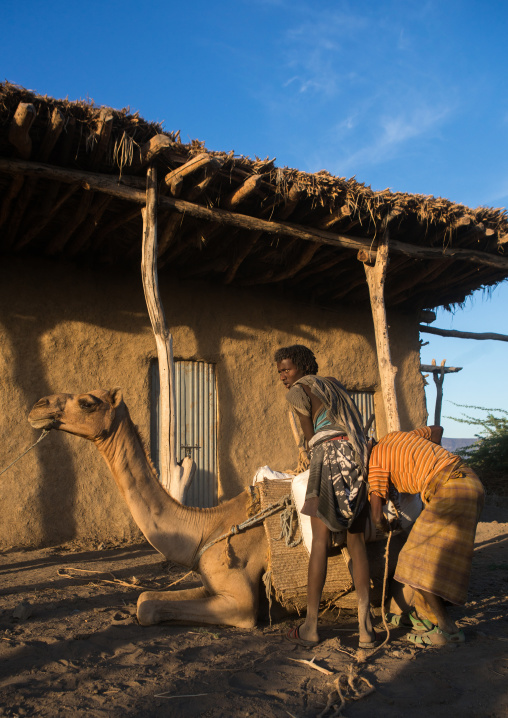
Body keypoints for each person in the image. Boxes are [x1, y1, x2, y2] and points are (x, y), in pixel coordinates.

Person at [275, 344, 376, 649]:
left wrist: (309, 451)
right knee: (356, 541)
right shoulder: (336, 386)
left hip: (328, 459)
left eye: (287, 369)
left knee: (320, 541)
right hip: (356, 459)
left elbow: (310, 439)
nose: (283, 376)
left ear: (303, 367)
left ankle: (310, 626)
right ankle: (365, 628)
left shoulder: (298, 391)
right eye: (279, 371)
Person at [368, 426, 484, 645]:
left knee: (414, 561)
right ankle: (425, 616)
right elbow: (437, 430)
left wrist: (387, 528)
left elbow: (376, 516)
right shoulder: (396, 437)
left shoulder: (375, 463)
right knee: (436, 558)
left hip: (451, 490)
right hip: (470, 482)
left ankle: (448, 630)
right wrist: (432, 463)